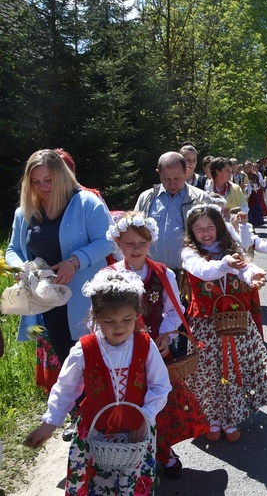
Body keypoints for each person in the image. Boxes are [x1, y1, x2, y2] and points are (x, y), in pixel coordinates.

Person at [24, 269, 172, 494]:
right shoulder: (85, 349)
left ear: (137, 314)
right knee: (97, 486)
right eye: (109, 321)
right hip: (95, 432)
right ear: (96, 317)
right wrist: (49, 424)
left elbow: (160, 386)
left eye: (127, 319)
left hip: (136, 431)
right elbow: (65, 389)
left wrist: (146, 417)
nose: (119, 327)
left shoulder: (144, 345)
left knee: (131, 484)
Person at [106, 211, 208, 478]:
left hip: (156, 353)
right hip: (123, 353)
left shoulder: (162, 274)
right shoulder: (109, 276)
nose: (136, 249)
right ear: (118, 244)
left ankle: (164, 451)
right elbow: (101, 316)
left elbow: (174, 309)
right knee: (129, 402)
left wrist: (165, 335)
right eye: (129, 244)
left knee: (159, 402)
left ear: (151, 242)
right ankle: (135, 454)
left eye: (142, 243)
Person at [7, 150, 114, 401]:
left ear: (62, 177)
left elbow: (107, 240)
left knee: (93, 357)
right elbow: (13, 249)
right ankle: (79, 416)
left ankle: (104, 413)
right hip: (48, 301)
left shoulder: (86, 202)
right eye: (36, 181)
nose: (42, 187)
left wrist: (75, 261)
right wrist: (22, 268)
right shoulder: (25, 211)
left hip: (85, 300)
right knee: (68, 361)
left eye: (48, 180)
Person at [182, 205, 267, 443]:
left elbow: (245, 268)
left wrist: (253, 275)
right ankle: (212, 417)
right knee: (210, 370)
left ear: (219, 227)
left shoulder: (231, 248)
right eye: (199, 229)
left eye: (210, 227)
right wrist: (227, 263)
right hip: (206, 324)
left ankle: (231, 418)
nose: (206, 233)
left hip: (235, 321)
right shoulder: (189, 254)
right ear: (191, 231)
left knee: (233, 368)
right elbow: (204, 271)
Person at [134, 151, 212, 274]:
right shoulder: (146, 198)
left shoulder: (201, 199)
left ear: (186, 172)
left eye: (177, 178)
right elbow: (135, 234)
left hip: (189, 273)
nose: (172, 183)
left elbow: (213, 238)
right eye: (167, 179)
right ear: (158, 173)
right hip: (154, 273)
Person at [245, 162, 266, 227]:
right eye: (246, 167)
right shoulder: (242, 175)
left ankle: (253, 225)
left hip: (252, 194)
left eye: (249, 167)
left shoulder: (254, 175)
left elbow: (258, 186)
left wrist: (252, 185)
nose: (247, 168)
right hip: (243, 193)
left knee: (253, 209)